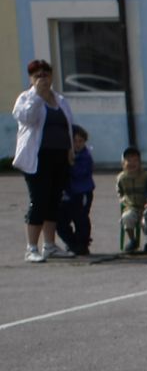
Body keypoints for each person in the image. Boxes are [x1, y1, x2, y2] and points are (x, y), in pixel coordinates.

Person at [14, 58, 76, 263]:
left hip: (59, 156)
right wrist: (38, 96)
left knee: (53, 201)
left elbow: (68, 126)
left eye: (46, 75)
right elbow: (27, 119)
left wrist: (70, 150)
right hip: (37, 158)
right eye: (38, 75)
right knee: (39, 201)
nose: (43, 79)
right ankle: (31, 247)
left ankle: (49, 245)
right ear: (31, 79)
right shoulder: (26, 99)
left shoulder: (60, 99)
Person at [55, 125, 96, 257]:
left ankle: (82, 244)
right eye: (75, 141)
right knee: (60, 221)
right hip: (68, 194)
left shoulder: (85, 157)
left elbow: (81, 173)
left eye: (80, 141)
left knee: (81, 219)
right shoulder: (65, 155)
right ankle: (72, 243)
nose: (78, 144)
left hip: (82, 192)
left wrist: (71, 164)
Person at [115, 147, 147, 255]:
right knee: (127, 217)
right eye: (128, 160)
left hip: (145, 206)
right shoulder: (121, 178)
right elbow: (119, 191)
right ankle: (132, 240)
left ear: (140, 162)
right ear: (123, 163)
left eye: (135, 160)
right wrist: (122, 200)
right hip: (131, 206)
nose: (131, 163)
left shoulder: (145, 177)